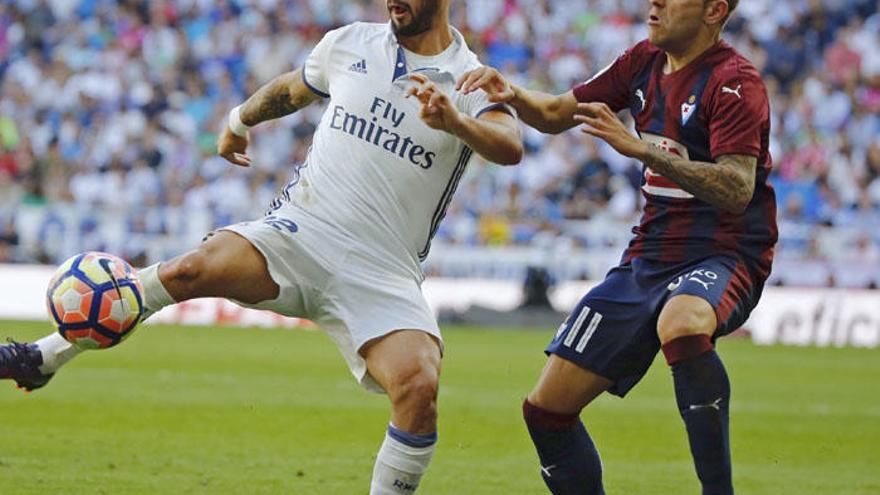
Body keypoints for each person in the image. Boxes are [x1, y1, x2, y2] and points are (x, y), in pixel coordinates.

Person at [0, 1, 522, 493]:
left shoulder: (471, 79)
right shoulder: (349, 43)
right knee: (189, 270)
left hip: (382, 271)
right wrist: (237, 121)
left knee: (418, 387)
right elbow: (293, 90)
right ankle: (41, 358)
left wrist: (456, 120)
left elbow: (510, 145)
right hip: (299, 233)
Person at [457, 0, 775, 493]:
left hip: (724, 253)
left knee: (683, 322)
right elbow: (557, 113)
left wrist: (642, 150)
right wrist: (513, 94)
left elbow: (737, 188)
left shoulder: (735, 81)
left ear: (714, 10)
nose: (655, 2)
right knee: (545, 411)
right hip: (648, 259)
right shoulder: (640, 61)